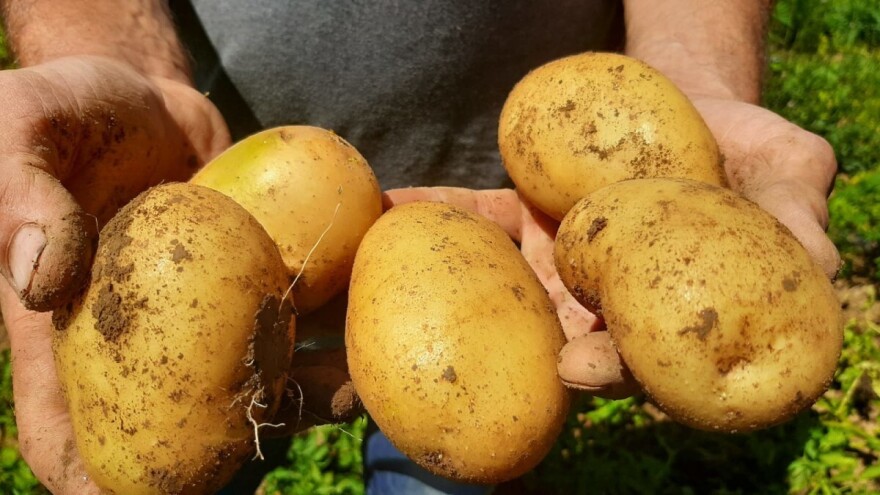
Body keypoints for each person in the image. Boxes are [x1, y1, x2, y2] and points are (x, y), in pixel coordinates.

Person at [0, 0, 840, 493]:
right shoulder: (186, 219)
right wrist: (107, 61)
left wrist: (699, 84)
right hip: (209, 166)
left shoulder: (625, 198)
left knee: (468, 454)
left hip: (511, 242)